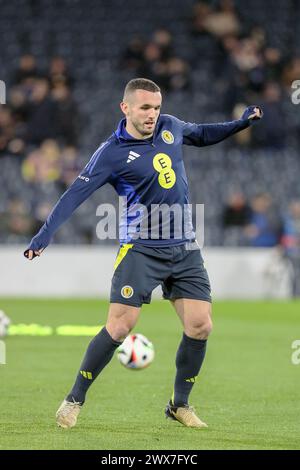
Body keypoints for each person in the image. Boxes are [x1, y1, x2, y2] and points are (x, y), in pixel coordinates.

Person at [24, 78, 262, 429]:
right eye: (145, 108)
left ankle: (179, 405)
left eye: (156, 107)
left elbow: (204, 133)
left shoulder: (171, 126)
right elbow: (75, 194)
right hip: (142, 248)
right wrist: (44, 234)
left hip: (184, 246)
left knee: (200, 326)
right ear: (126, 108)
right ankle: (74, 399)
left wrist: (240, 123)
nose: (152, 114)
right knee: (120, 327)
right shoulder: (111, 152)